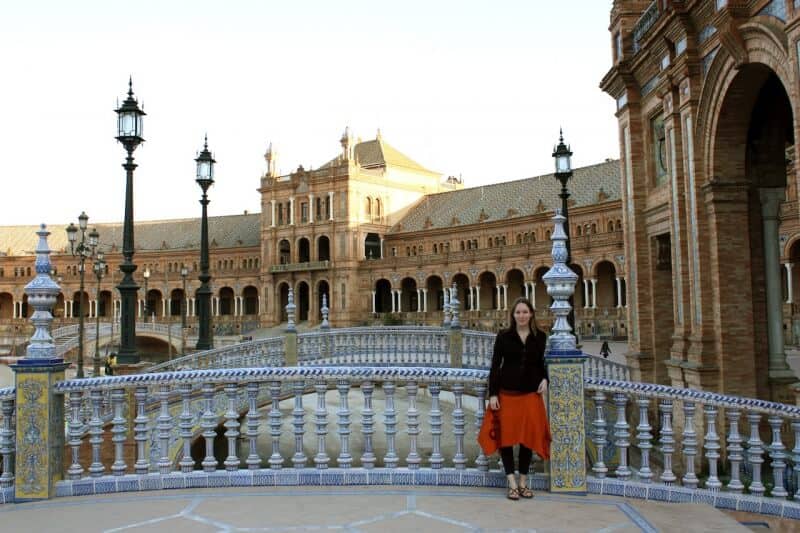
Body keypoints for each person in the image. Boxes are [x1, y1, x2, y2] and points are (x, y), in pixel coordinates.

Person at [478, 297, 551, 500]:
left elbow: (540, 364)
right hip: (507, 394)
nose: (521, 316)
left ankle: (523, 482)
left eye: (525, 312)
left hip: (530, 395)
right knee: (507, 439)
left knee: (528, 439)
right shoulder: (504, 336)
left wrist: (545, 379)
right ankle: (511, 482)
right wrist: (492, 394)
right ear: (513, 315)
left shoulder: (540, 337)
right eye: (518, 312)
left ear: (531, 314)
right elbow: (495, 366)